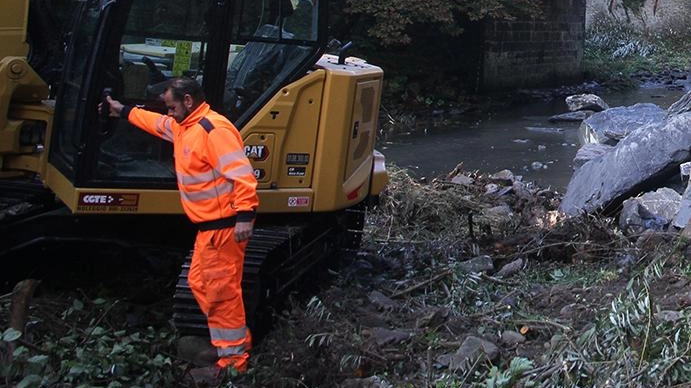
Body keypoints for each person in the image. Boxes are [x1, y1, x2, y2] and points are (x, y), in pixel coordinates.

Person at [102, 77, 258, 381]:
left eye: (172, 106)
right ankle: (234, 345)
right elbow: (155, 122)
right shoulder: (183, 126)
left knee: (220, 294)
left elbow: (242, 176)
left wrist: (244, 215)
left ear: (188, 101)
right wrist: (121, 110)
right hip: (208, 228)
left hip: (223, 228)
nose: (169, 113)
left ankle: (234, 363)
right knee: (201, 284)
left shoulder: (214, 130)